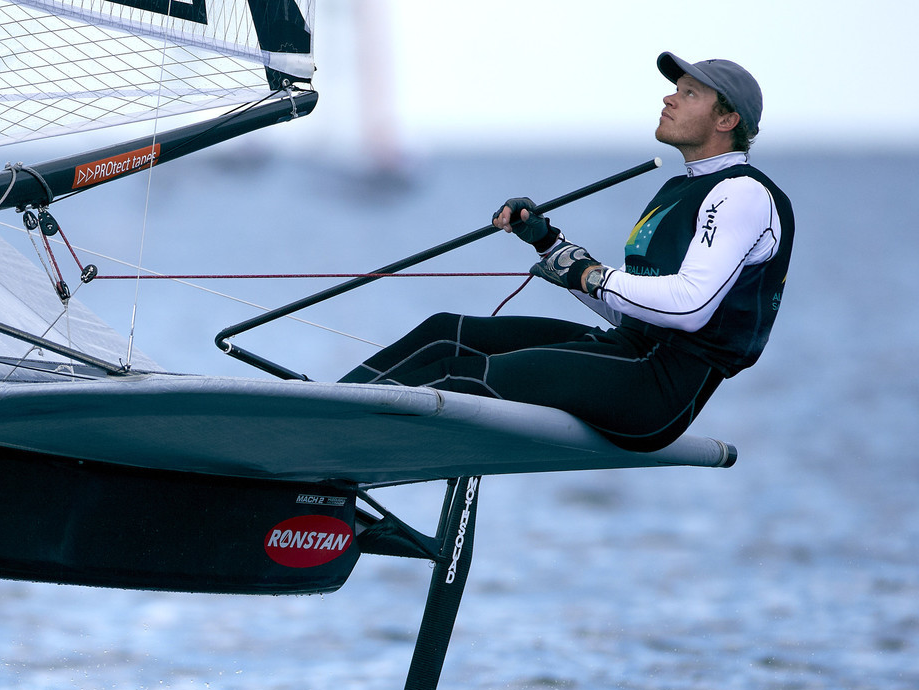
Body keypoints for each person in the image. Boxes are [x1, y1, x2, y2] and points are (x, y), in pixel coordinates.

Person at [340, 52, 794, 452]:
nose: (669, 100)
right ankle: (321, 412)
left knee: (459, 383)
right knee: (443, 333)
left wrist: (590, 274)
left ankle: (324, 448)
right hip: (631, 350)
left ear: (726, 120)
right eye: (674, 90)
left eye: (689, 94)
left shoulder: (743, 194)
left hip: (658, 387)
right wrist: (547, 244)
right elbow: (630, 310)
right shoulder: (684, 188)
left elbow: (690, 308)